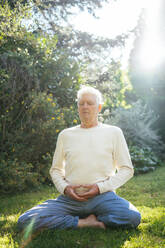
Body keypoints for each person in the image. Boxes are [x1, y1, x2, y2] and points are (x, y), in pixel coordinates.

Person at [17, 86, 141, 232]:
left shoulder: (114, 132)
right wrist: (65, 188)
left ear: (99, 107)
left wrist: (99, 188)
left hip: (103, 197)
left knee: (132, 217)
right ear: (77, 107)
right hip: (70, 199)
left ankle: (79, 218)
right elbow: (56, 170)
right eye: (81, 104)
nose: (85, 107)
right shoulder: (65, 135)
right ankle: (86, 223)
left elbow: (126, 169)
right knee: (25, 221)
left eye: (90, 103)